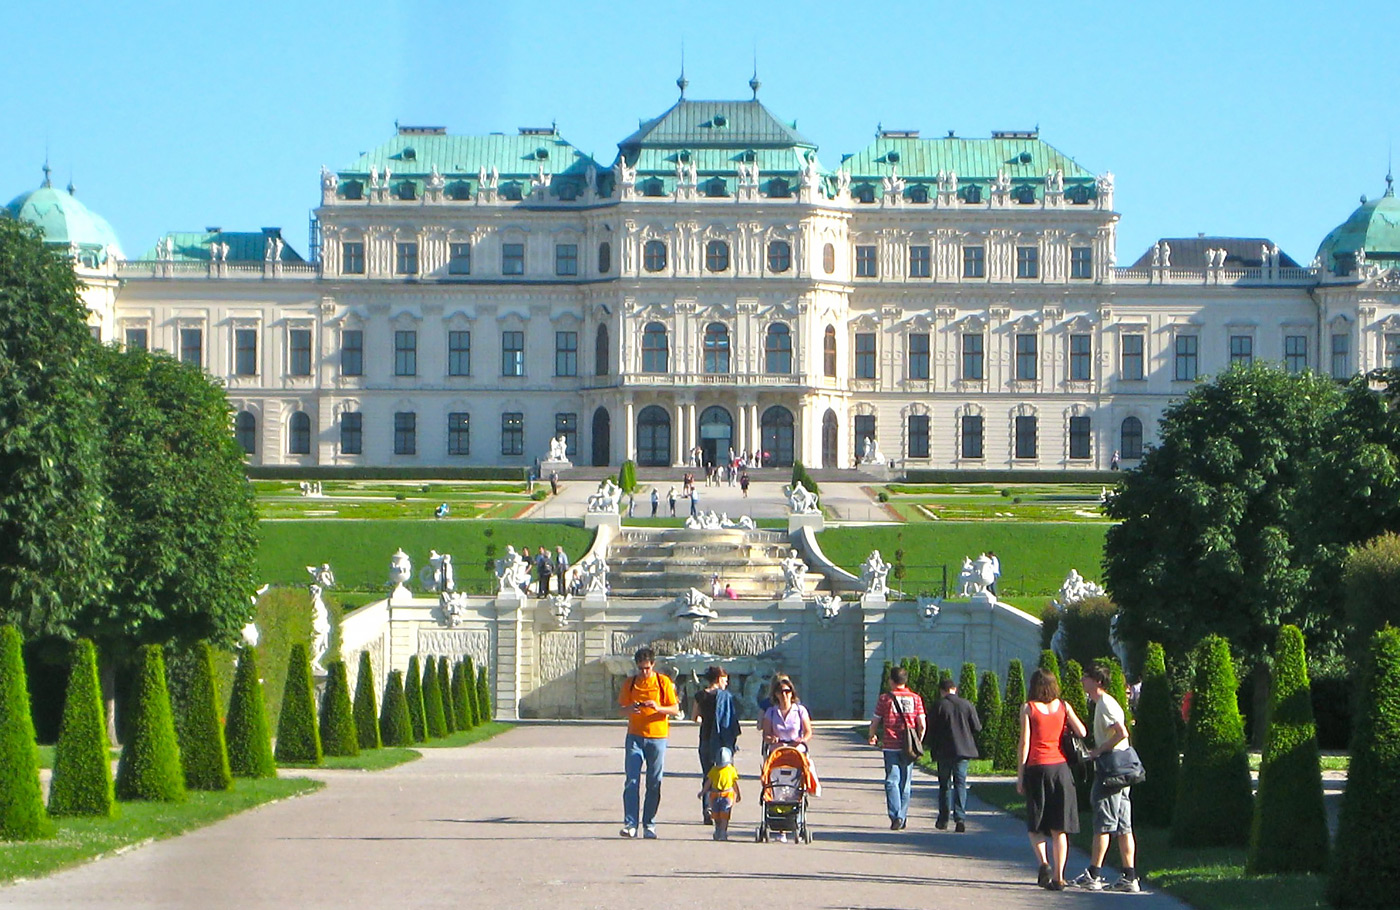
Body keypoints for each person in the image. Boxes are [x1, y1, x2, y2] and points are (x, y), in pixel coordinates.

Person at [1071, 665, 1141, 893]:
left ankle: (1094, 874)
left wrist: (1098, 751)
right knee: (1123, 826)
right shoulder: (1101, 703)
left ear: (1097, 681)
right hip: (1120, 768)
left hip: (1111, 768)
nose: (1082, 680)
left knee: (1104, 822)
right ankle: (1129, 876)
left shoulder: (1106, 704)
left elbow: (1122, 732)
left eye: (1086, 677)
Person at [1017, 667, 1088, 891]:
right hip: (1060, 768)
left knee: (1036, 822)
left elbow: (1025, 744)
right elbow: (1083, 732)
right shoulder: (1063, 706)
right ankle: (1059, 877)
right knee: (1060, 827)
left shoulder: (1029, 708)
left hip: (1037, 767)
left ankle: (1044, 863)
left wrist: (1020, 775)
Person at [619, 648, 679, 838]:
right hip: (634, 736)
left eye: (647, 668)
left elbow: (676, 709)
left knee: (654, 782)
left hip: (658, 737)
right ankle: (630, 824)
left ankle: (649, 824)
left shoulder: (663, 682)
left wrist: (658, 708)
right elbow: (620, 709)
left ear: (653, 665)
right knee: (632, 780)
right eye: (640, 668)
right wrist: (630, 709)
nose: (644, 672)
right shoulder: (630, 683)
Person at [868, 667, 926, 830]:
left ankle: (896, 816)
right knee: (905, 783)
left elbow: (875, 720)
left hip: (891, 745)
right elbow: (922, 724)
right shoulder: (916, 698)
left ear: (892, 681)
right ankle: (902, 815)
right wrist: (918, 741)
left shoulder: (885, 698)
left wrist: (872, 735)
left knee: (891, 781)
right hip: (909, 747)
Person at [929, 675, 981, 832]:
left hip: (943, 750)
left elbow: (931, 728)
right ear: (955, 689)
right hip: (963, 750)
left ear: (941, 691)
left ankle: (943, 819)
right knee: (960, 783)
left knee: (944, 785)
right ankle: (960, 818)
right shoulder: (967, 704)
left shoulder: (939, 705)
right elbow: (977, 727)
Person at [692, 666, 740, 824]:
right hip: (722, 741)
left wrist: (707, 720)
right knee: (725, 775)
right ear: (719, 678)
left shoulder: (700, 696)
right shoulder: (727, 697)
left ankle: (708, 808)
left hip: (705, 738)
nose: (726, 683)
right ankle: (723, 808)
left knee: (708, 775)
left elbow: (695, 717)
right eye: (725, 680)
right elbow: (731, 719)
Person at [762, 677, 812, 754]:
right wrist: (771, 739)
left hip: (797, 748)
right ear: (776, 694)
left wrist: (802, 739)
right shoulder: (771, 712)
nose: (784, 694)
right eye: (780, 691)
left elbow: (808, 731)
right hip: (777, 748)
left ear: (792, 693)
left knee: (807, 764)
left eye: (787, 691)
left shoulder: (800, 710)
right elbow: (766, 734)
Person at [701, 751, 741, 841]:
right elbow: (709, 782)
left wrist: (737, 794)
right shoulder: (714, 770)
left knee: (724, 815)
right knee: (716, 815)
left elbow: (734, 783)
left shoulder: (731, 770)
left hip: (727, 794)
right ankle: (718, 829)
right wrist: (703, 791)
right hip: (715, 794)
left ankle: (723, 832)